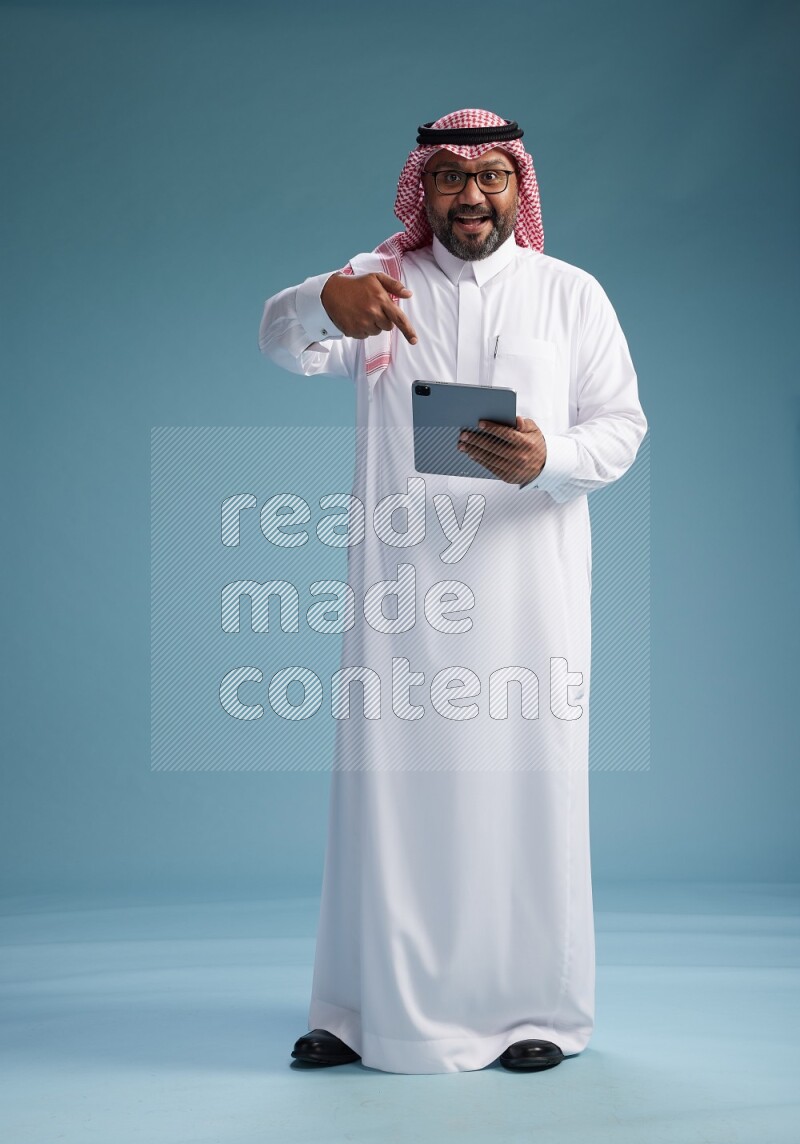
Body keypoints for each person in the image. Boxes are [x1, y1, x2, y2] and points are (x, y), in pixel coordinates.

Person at [258, 108, 647, 1074]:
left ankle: (535, 1009)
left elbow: (624, 426)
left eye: (490, 177)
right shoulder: (377, 283)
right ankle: (356, 1007)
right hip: (402, 594)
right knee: (387, 793)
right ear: (422, 189)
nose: (470, 195)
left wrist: (549, 454)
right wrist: (320, 300)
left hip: (527, 595)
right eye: (449, 178)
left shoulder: (570, 296)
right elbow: (277, 339)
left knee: (524, 787)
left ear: (520, 186)